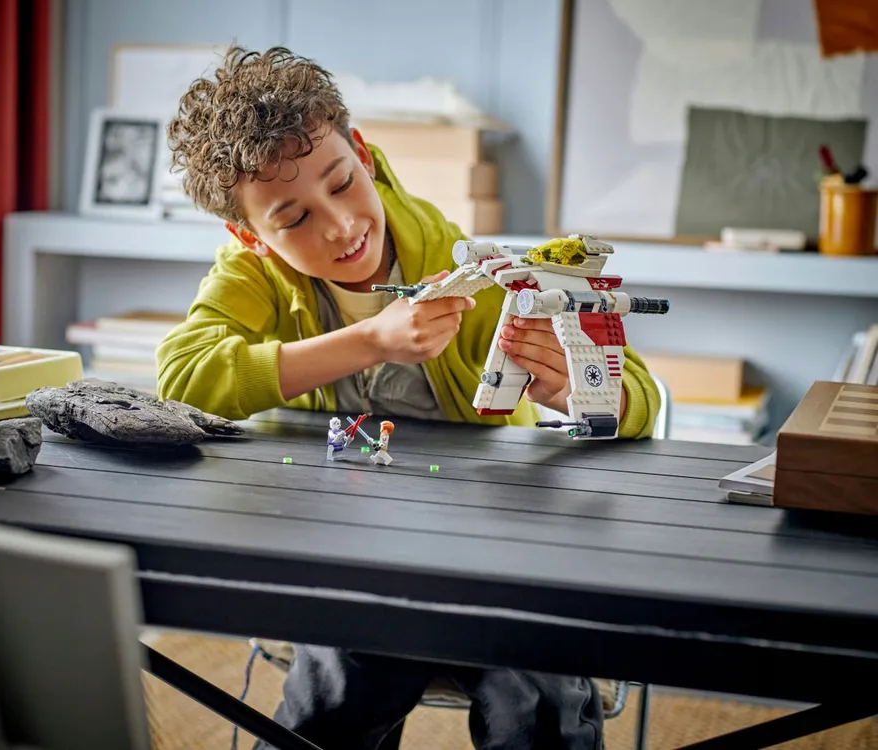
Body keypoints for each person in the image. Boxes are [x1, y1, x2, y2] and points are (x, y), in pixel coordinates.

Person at [158, 45, 660, 750]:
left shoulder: (470, 269)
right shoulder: (254, 274)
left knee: (537, 702)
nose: (339, 226)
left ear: (364, 155)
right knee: (337, 698)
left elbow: (639, 394)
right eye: (293, 220)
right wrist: (371, 340)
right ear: (251, 236)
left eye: (342, 182)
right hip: (352, 551)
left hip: (497, 544)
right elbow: (182, 376)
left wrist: (579, 388)